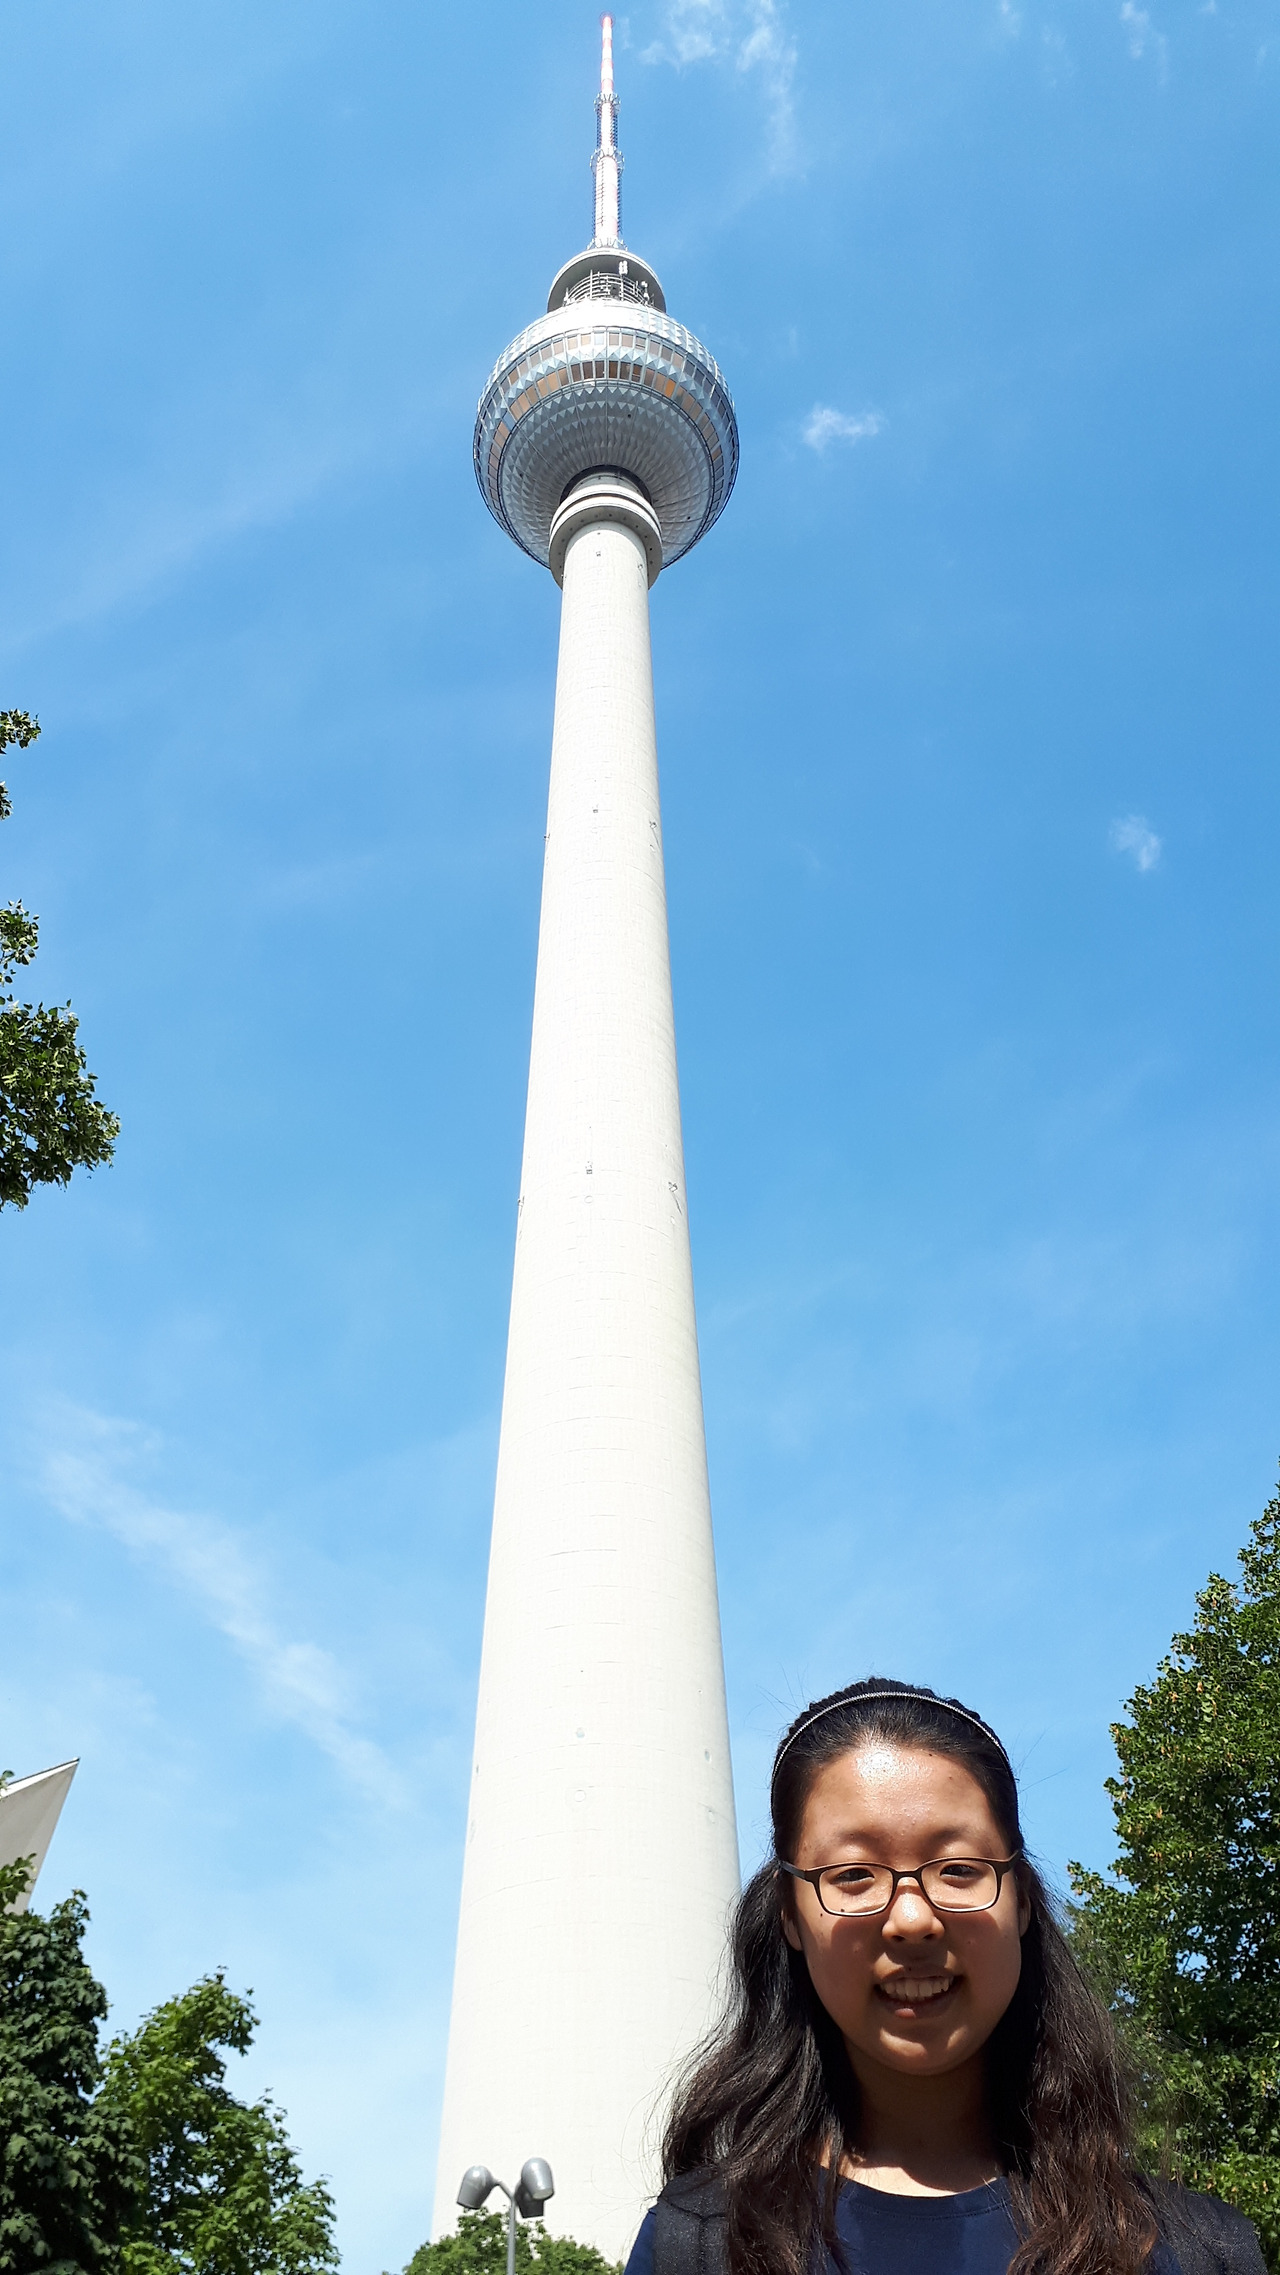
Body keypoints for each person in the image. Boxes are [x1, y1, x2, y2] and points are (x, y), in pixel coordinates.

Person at [626, 1678, 1264, 2275]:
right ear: (789, 1916)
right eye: (852, 1875)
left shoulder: (1193, 2250)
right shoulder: (700, 2245)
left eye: (958, 1868)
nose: (911, 1920)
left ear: (1021, 1899)